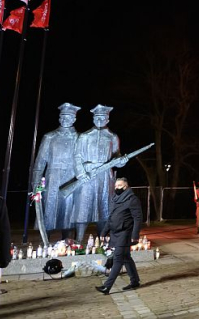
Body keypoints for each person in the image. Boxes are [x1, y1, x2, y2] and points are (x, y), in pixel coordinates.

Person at [73, 104, 128, 245]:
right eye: (97, 117)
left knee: (104, 208)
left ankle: (102, 241)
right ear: (93, 118)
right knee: (83, 208)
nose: (99, 119)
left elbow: (117, 158)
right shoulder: (84, 136)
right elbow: (77, 156)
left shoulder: (112, 137)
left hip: (105, 177)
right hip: (88, 175)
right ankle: (78, 240)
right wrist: (81, 173)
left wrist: (122, 161)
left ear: (107, 119)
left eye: (103, 117)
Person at [31, 102, 81, 240]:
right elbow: (40, 162)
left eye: (69, 117)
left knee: (68, 214)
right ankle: (46, 245)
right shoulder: (50, 137)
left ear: (74, 119)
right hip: (52, 178)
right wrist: (35, 184)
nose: (65, 119)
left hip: (71, 177)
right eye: (63, 116)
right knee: (49, 212)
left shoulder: (80, 138)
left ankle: (68, 244)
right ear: (59, 118)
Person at [95, 177, 142, 294]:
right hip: (115, 233)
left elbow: (138, 218)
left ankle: (107, 286)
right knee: (126, 258)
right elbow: (111, 218)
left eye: (119, 186)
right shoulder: (115, 199)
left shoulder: (132, 199)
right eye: (115, 186)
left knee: (118, 259)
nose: (116, 188)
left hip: (125, 233)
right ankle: (135, 281)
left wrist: (135, 234)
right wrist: (104, 232)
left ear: (125, 186)